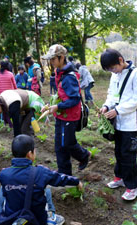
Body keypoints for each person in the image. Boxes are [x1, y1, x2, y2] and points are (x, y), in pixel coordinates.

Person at [0, 134, 82, 225]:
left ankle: (3, 216)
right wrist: (76, 181)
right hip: (37, 220)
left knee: (3, 189)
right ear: (30, 154)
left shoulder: (4, 174)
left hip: (14, 218)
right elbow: (59, 178)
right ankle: (50, 216)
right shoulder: (41, 172)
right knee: (46, 187)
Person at [99, 48, 137, 201]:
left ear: (121, 60)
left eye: (113, 68)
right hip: (118, 121)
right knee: (119, 151)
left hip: (131, 122)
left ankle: (134, 187)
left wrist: (118, 110)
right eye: (110, 70)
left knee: (128, 155)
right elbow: (112, 94)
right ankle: (119, 177)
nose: (113, 72)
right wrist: (107, 106)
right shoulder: (115, 76)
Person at [41, 44, 91, 176]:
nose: (51, 62)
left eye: (53, 59)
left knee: (68, 143)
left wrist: (57, 107)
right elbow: (61, 95)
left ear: (61, 57)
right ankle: (64, 173)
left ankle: (84, 155)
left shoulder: (69, 76)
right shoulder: (59, 72)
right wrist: (50, 105)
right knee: (59, 145)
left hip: (70, 116)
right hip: (60, 114)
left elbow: (75, 99)